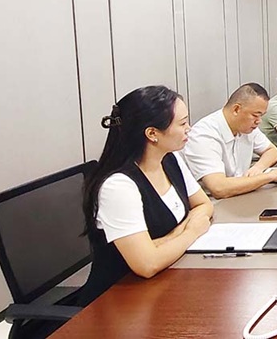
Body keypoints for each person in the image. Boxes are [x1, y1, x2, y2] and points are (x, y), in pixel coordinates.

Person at [78, 86, 214, 306]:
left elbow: (204, 205)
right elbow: (147, 264)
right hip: (118, 301)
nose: (189, 128)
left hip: (163, 283)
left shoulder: (170, 159)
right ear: (152, 134)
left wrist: (169, 239)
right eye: (182, 124)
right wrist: (192, 231)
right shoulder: (118, 186)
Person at [182, 83, 277, 198]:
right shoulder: (204, 135)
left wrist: (258, 168)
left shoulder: (246, 126)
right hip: (217, 202)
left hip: (242, 193)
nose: (259, 121)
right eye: (255, 115)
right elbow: (219, 188)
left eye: (261, 116)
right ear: (236, 109)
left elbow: (272, 151)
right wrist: (270, 176)